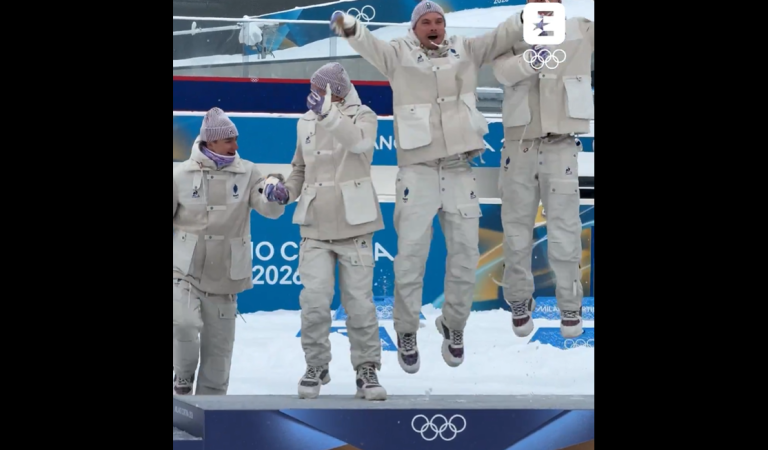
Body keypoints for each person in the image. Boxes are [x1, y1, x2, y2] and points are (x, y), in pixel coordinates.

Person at [329, 0, 527, 374]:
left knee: (467, 258)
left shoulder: (466, 51)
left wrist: (525, 18)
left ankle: (454, 326)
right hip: (417, 173)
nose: (434, 26)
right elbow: (369, 44)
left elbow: (503, 35)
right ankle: (406, 331)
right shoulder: (397, 57)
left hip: (458, 171)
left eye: (439, 21)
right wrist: (351, 26)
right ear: (414, 27)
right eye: (426, 22)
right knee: (410, 261)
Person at [264, 63, 387, 400]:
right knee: (314, 303)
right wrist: (286, 192)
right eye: (313, 88)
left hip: (355, 224)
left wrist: (329, 113)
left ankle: (367, 370)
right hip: (315, 226)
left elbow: (359, 144)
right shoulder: (305, 121)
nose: (313, 93)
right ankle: (316, 365)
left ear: (335, 89)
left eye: (320, 88)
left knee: (359, 305)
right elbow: (300, 168)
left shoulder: (365, 116)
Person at [492, 0, 594, 339]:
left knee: (565, 231)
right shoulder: (512, 28)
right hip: (519, 146)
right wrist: (530, 57)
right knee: (516, 231)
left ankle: (570, 305)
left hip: (561, 145)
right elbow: (500, 72)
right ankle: (519, 300)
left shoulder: (581, 28)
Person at [173, 107, 286, 395]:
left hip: (225, 275)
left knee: (218, 357)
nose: (236, 146)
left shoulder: (248, 172)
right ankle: (183, 374)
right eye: (229, 140)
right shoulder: (180, 175)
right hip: (184, 272)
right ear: (210, 142)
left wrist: (275, 196)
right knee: (183, 324)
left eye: (236, 139)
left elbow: (267, 208)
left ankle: (211, 416)